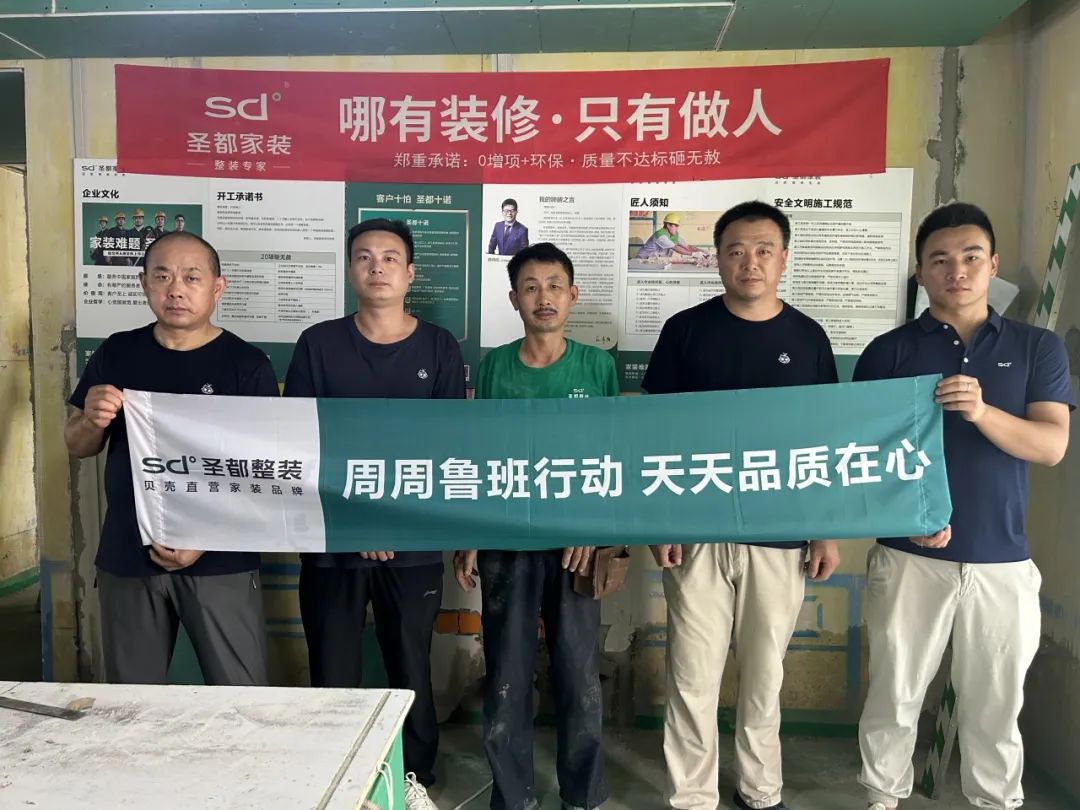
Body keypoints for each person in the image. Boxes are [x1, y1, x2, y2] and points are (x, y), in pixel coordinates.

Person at [854, 203, 1073, 810]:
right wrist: (904, 521)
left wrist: (981, 412)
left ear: (992, 264)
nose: (957, 270)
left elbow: (1051, 445)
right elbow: (862, 457)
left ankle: (995, 801)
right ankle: (881, 798)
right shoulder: (889, 351)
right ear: (920, 272)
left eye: (971, 257)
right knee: (894, 695)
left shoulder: (1037, 348)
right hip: (909, 557)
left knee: (996, 706)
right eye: (940, 260)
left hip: (1003, 560)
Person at [642, 201, 841, 810]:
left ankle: (760, 789)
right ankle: (691, 796)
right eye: (735, 250)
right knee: (691, 675)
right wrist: (662, 520)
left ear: (783, 259)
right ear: (718, 259)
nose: (749, 262)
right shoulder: (685, 330)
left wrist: (824, 529)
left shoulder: (808, 338)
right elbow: (656, 433)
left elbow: (823, 440)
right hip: (695, 530)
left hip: (780, 533)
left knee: (764, 675)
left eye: (762, 250)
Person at [284, 218, 464, 810]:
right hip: (334, 537)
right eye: (364, 257)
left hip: (412, 541)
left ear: (410, 274)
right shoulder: (318, 344)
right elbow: (302, 441)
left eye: (389, 257)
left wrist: (391, 521)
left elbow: (446, 447)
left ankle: (414, 775)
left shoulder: (438, 347)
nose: (377, 266)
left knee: (410, 663)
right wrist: (359, 521)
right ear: (349, 270)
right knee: (332, 665)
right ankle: (336, 774)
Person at [64, 230, 276, 687]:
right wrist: (92, 420)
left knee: (241, 697)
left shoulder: (247, 365)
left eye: (191, 277)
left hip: (221, 558)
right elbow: (78, 445)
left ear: (217, 287)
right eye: (162, 276)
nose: (176, 289)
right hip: (129, 554)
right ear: (144, 284)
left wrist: (206, 537)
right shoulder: (118, 352)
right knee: (132, 699)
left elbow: (263, 473)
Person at [453, 242, 615, 810]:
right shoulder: (496, 366)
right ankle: (511, 796)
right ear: (513, 299)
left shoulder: (596, 366)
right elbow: (479, 455)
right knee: (507, 676)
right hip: (508, 543)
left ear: (573, 296)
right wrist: (472, 535)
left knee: (578, 677)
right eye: (530, 287)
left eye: (554, 286)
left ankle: (583, 796)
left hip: (577, 547)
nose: (543, 297)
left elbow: (613, 457)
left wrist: (592, 531)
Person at [635, 213, 701, 260]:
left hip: (653, 261)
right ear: (668, 225)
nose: (677, 228)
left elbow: (687, 247)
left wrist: (701, 251)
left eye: (677, 226)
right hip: (642, 260)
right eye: (675, 226)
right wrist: (693, 254)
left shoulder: (674, 235)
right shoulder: (660, 235)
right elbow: (676, 248)